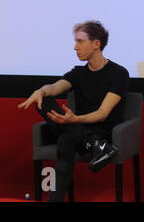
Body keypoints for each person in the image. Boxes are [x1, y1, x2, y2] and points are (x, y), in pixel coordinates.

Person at [18, 21, 130, 202]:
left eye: (80, 41)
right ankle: (95, 145)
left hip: (104, 130)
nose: (74, 47)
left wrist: (74, 119)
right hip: (80, 129)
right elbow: (54, 87)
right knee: (44, 101)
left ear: (96, 44)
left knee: (65, 139)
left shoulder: (118, 73)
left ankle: (98, 142)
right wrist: (41, 91)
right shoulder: (78, 73)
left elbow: (102, 113)